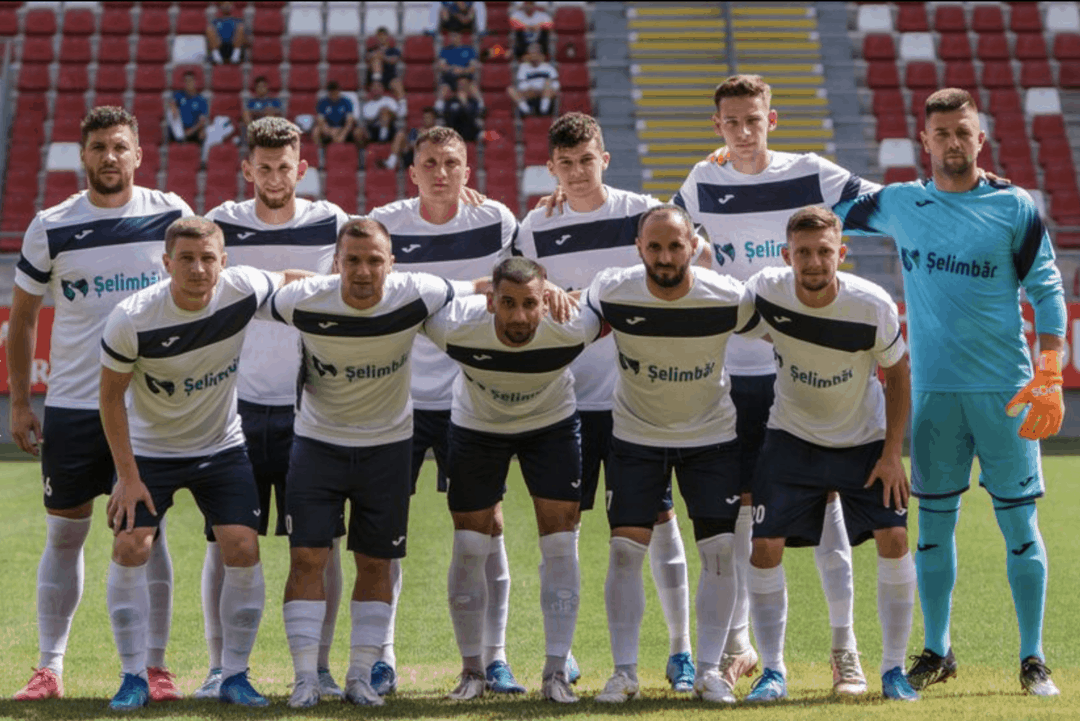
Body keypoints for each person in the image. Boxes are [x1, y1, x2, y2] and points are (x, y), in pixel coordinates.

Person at [833, 87, 1066, 697]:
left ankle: (1034, 658)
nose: (954, 143)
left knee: (1020, 528)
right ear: (925, 141)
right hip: (934, 396)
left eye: (964, 132)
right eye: (943, 134)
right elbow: (826, 199)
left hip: (1007, 392)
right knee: (932, 529)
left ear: (979, 138)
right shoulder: (901, 203)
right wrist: (740, 158)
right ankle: (937, 649)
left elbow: (1047, 292)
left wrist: (1048, 374)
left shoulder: (1016, 207)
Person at [672, 74, 880, 694]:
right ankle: (742, 646)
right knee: (745, 514)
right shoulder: (702, 181)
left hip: (806, 367)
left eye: (753, 120)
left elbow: (885, 205)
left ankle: (846, 649)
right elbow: (663, 238)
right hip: (734, 374)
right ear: (717, 126)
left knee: (830, 509)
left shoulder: (812, 172)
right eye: (731, 122)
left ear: (772, 119)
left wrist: (961, 191)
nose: (742, 132)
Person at [519, 112, 711, 693]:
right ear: (551, 168)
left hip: (636, 397)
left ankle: (680, 650)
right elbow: (522, 294)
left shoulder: (641, 212)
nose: (577, 173)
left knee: (656, 517)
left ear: (605, 159)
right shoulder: (534, 225)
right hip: (565, 402)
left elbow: (689, 259)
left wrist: (588, 295)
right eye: (565, 163)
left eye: (587, 160)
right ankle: (566, 650)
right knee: (564, 524)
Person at [7, 106, 192, 703]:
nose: (109, 157)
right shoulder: (51, 225)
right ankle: (49, 668)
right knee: (64, 537)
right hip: (73, 407)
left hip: (148, 413)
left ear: (138, 154)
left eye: (119, 147)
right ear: (82, 157)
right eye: (98, 148)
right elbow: (23, 319)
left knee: (149, 536)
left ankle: (155, 668)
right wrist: (19, 403)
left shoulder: (172, 215)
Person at [264, 217, 488, 706]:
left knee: (376, 563)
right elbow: (241, 294)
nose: (363, 272)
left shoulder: (417, 293)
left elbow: (479, 286)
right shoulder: (303, 300)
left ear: (392, 264)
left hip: (387, 449)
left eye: (373, 261)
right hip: (317, 445)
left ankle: (360, 676)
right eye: (352, 261)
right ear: (336, 263)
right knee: (306, 558)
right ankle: (305, 678)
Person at [97, 216, 307, 709]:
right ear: (166, 263)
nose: (197, 269)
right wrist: (127, 478)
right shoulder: (133, 317)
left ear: (224, 262)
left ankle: (235, 674)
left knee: (242, 546)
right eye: (186, 259)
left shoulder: (242, 288)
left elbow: (293, 282)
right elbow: (109, 400)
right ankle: (132, 678)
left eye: (208, 258)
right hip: (151, 452)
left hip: (220, 447)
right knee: (131, 546)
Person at [196, 117, 351, 701]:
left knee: (318, 542)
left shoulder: (331, 222)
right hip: (233, 408)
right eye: (264, 167)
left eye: (285, 167)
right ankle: (219, 667)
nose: (275, 177)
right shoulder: (221, 223)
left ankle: (320, 668)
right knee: (225, 542)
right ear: (247, 170)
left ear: (302, 168)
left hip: (309, 409)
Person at [741, 207, 918, 703]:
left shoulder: (871, 304)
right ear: (786, 255)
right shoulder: (766, 291)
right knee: (764, 546)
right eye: (804, 253)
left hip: (862, 441)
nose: (814, 262)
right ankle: (773, 671)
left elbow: (899, 374)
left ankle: (892, 670)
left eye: (824, 252)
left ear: (841, 253)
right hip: (791, 436)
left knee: (895, 536)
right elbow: (723, 312)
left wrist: (891, 455)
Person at [367, 126, 520, 696]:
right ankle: (382, 657)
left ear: (467, 168)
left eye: (450, 163)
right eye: (428, 163)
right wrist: (469, 284)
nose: (439, 173)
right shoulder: (387, 222)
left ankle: (492, 657)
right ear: (412, 172)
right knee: (384, 528)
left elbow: (513, 288)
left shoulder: (497, 222)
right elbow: (382, 288)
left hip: (469, 395)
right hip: (399, 397)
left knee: (485, 525)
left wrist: (437, 286)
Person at [585, 204, 757, 705]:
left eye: (674, 245)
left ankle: (708, 672)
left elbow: (782, 330)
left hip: (711, 439)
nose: (664, 256)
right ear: (638, 247)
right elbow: (570, 309)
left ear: (694, 247)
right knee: (623, 552)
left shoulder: (728, 298)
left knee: (720, 554)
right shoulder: (612, 290)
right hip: (636, 438)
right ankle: (624, 674)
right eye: (654, 246)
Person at [423, 257, 599, 702]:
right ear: (489, 301)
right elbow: (418, 299)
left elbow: (612, 304)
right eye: (507, 303)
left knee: (560, 543)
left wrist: (570, 295)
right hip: (477, 429)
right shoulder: (454, 326)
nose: (519, 316)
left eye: (530, 303)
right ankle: (471, 671)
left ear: (545, 302)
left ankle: (556, 671)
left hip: (552, 427)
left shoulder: (573, 325)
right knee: (468, 545)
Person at [360, 81, 409, 167]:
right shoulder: (368, 104)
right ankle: (362, 160)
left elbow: (400, 114)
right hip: (374, 130)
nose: (376, 89)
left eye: (378, 87)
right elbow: (369, 118)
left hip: (390, 128)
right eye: (374, 87)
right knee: (383, 112)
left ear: (382, 89)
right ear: (370, 90)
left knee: (401, 134)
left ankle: (390, 163)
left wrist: (387, 113)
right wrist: (382, 112)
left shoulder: (389, 100)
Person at [507, 43, 558, 116]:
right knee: (510, 90)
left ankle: (543, 110)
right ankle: (527, 111)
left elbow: (556, 84)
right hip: (529, 92)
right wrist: (531, 89)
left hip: (544, 92)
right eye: (531, 53)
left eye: (535, 53)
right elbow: (521, 85)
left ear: (540, 54)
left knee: (548, 84)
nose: (533, 56)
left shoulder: (548, 67)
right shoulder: (523, 67)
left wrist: (543, 89)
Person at [437, 77, 484, 142]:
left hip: (470, 133)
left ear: (468, 87)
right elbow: (447, 117)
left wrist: (464, 103)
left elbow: (473, 117)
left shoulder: (473, 102)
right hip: (453, 133)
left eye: (464, 84)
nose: (462, 86)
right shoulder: (450, 101)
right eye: (460, 84)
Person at [365, 27, 405, 101]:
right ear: (377, 38)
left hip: (389, 78)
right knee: (376, 60)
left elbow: (394, 60)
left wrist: (382, 57)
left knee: (398, 84)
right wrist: (377, 55)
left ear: (387, 37)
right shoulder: (372, 49)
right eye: (379, 36)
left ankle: (402, 108)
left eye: (383, 35)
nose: (381, 38)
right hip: (375, 79)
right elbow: (368, 57)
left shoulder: (393, 50)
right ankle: (377, 81)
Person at [168, 71, 209, 143]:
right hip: (179, 129)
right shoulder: (179, 95)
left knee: (204, 132)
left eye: (190, 80)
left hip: (193, 130)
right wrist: (173, 107)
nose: (188, 83)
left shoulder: (201, 100)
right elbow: (172, 102)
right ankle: (180, 136)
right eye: (186, 81)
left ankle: (183, 138)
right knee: (170, 111)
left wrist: (191, 131)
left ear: (195, 82)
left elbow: (202, 120)